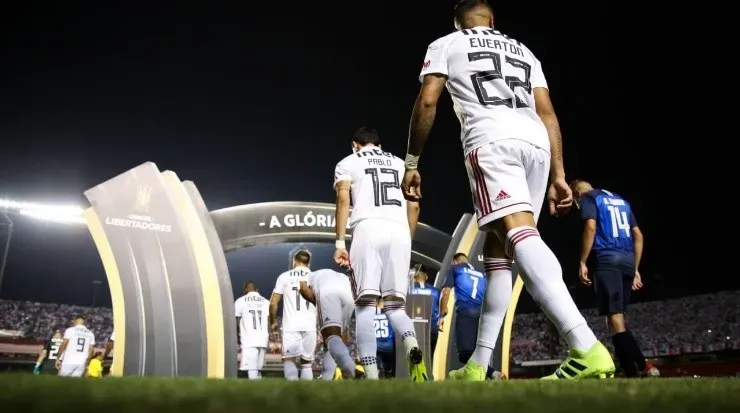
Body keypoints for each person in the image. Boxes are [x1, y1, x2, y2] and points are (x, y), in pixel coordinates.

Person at [403, 0, 614, 380]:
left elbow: (429, 99)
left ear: (458, 24)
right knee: (498, 252)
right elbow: (546, 111)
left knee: (517, 233)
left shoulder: (447, 44)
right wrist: (559, 174)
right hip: (535, 144)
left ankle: (585, 345)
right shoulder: (524, 50)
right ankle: (478, 365)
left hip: (491, 140)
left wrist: (413, 162)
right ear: (492, 21)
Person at [333, 126, 427, 381]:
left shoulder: (348, 162)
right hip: (399, 232)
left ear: (355, 144)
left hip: (367, 229)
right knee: (396, 307)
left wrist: (340, 242)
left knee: (365, 307)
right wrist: (406, 240)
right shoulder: (400, 164)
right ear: (379, 143)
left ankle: (372, 375)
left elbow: (344, 201)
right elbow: (415, 206)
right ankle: (412, 347)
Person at [571, 179, 659, 378]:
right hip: (627, 260)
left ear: (576, 192)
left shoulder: (588, 198)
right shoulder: (621, 200)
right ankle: (633, 368)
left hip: (606, 259)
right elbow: (638, 235)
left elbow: (591, 227)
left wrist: (583, 261)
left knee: (615, 318)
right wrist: (635, 268)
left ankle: (639, 368)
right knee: (615, 320)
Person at [298, 268, 357, 379]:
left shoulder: (309, 275)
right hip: (349, 293)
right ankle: (327, 379)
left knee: (331, 338)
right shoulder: (336, 275)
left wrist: (319, 303)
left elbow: (302, 287)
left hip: (328, 290)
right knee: (335, 338)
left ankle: (354, 372)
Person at [269, 250, 317, 380]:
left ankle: (292, 395)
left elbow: (273, 303)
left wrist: (272, 322)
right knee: (306, 364)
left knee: (289, 360)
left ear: (294, 261)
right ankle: (307, 396)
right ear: (309, 264)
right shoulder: (315, 277)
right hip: (310, 325)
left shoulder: (284, 276)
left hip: (291, 325)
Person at [440, 253, 486, 365]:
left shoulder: (455, 268)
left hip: (465, 311)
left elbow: (446, 292)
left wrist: (442, 314)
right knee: (476, 352)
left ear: (455, 261)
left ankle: (493, 373)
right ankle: (476, 378)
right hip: (480, 313)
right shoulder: (482, 275)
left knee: (465, 354)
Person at [235, 281, 270, 379]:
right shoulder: (266, 302)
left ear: (245, 290)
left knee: (251, 367)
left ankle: (254, 389)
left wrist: (238, 334)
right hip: (263, 337)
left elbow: (237, 319)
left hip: (249, 337)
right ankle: (259, 389)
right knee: (258, 367)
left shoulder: (240, 301)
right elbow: (269, 320)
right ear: (257, 289)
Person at [411, 265, 441, 354]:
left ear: (414, 276)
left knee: (414, 358)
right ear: (426, 277)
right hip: (431, 329)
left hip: (414, 329)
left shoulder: (407, 290)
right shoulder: (436, 291)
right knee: (429, 357)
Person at [374, 298, 396, 378]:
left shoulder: (370, 314)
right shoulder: (390, 313)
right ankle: (388, 372)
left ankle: (379, 370)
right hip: (388, 346)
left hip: (375, 345)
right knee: (389, 367)